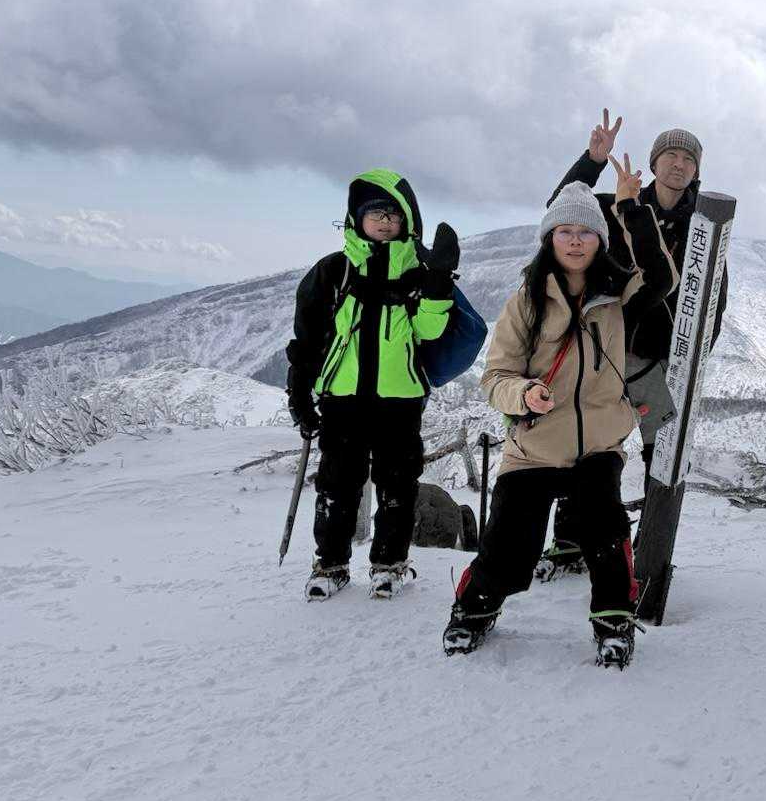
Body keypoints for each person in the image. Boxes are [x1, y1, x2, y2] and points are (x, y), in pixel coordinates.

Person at [442, 158, 674, 664]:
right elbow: (495, 378)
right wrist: (523, 394)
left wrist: (633, 208)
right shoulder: (526, 300)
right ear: (549, 239)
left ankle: (614, 620)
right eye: (564, 231)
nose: (574, 241)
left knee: (606, 533)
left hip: (597, 444)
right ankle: (473, 609)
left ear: (599, 239)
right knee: (510, 547)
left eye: (585, 232)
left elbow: (660, 274)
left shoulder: (618, 296)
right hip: (536, 446)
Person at [535, 113, 721, 579]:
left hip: (658, 358)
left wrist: (695, 354)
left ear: (696, 170)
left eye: (687, 159)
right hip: (602, 348)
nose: (678, 165)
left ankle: (647, 550)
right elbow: (562, 210)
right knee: (592, 445)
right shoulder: (615, 203)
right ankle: (570, 540)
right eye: (670, 156)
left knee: (662, 449)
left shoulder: (705, 225)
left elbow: (714, 294)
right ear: (655, 163)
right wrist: (593, 161)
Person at [285, 170, 460, 601]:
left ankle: (389, 563)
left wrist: (438, 281)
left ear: (408, 221)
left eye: (393, 214)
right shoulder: (333, 271)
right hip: (342, 399)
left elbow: (430, 331)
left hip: (400, 400)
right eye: (374, 213)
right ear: (356, 218)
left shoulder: (418, 273)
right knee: (336, 485)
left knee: (398, 485)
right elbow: (308, 340)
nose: (384, 221)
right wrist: (299, 393)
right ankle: (330, 564)